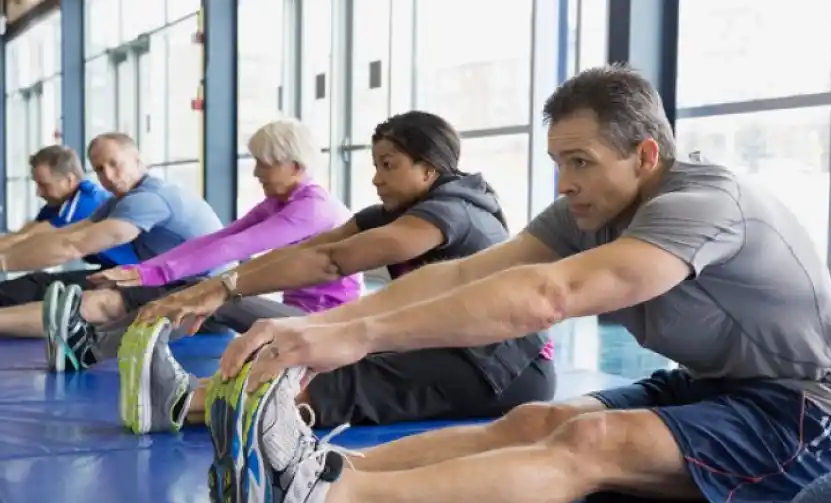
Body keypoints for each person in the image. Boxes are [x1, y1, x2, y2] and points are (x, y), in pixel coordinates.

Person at [205, 64, 831, 503]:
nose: (565, 184)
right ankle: (309, 473)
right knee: (536, 418)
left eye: (580, 161)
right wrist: (320, 328)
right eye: (559, 162)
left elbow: (548, 296)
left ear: (646, 155)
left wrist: (362, 338)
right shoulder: (589, 209)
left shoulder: (703, 207)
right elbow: (465, 274)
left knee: (589, 441)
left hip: (802, 414)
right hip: (720, 388)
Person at [100, 111, 555, 445]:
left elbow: (334, 261)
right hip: (445, 340)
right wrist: (210, 288)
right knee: (315, 354)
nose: (376, 178)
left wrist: (220, 289)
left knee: (352, 377)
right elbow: (309, 250)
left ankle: (180, 405)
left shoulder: (449, 214)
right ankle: (182, 394)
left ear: (428, 169)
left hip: (501, 367)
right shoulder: (393, 211)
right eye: (375, 164)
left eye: (389, 165)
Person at [47, 118, 360, 375]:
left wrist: (152, 276)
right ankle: (89, 341)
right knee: (204, 290)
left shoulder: (312, 208)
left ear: (294, 166)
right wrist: (144, 271)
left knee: (219, 296)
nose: (255, 172)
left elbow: (235, 247)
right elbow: (218, 238)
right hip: (299, 314)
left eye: (264, 163)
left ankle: (89, 349)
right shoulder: (280, 201)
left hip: (323, 325)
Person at [0, 132, 224, 343]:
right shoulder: (120, 200)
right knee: (49, 284)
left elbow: (72, 246)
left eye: (114, 163)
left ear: (137, 159)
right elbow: (64, 234)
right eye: (99, 169)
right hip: (161, 278)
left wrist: (4, 261)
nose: (107, 175)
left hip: (206, 297)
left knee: (96, 302)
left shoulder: (149, 199)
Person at [0, 145, 135, 270]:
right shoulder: (60, 202)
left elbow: (29, 239)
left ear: (70, 180)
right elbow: (22, 233)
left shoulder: (83, 202)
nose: (38, 193)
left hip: (132, 274)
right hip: (109, 269)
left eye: (44, 185)